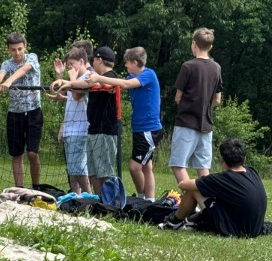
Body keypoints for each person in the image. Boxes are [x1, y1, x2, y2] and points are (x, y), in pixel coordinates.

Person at [84, 46, 162, 200]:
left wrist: (99, 78)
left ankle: (141, 197)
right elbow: (116, 87)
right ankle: (150, 200)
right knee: (146, 167)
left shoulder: (148, 74)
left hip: (149, 128)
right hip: (139, 128)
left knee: (134, 166)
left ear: (135, 62)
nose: (125, 65)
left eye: (127, 63)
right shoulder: (131, 77)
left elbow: (125, 85)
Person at [159, 138, 267, 237]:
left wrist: (205, 182)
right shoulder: (252, 172)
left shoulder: (223, 178)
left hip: (235, 230)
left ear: (222, 159)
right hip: (254, 229)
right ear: (244, 158)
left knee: (194, 190)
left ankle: (173, 223)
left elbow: (182, 185)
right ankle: (192, 221)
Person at [169, 27, 222, 184]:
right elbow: (217, 99)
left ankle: (191, 196)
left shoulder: (188, 66)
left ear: (194, 44)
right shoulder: (216, 68)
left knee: (178, 164)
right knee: (203, 168)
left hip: (186, 122)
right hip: (206, 125)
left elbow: (178, 97)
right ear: (210, 47)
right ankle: (206, 199)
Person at [0, 32, 43, 187]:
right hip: (14, 113)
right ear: (8, 50)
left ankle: (36, 187)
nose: (17, 52)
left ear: (25, 47)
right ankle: (19, 188)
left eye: (20, 49)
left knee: (32, 153)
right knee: (16, 153)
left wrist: (8, 82)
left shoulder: (32, 57)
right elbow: (0, 75)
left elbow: (24, 70)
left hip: (33, 111)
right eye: (13, 50)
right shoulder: (7, 64)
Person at [49, 45, 91, 193]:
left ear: (81, 61)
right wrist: (59, 76)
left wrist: (71, 79)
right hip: (70, 128)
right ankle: (75, 197)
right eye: (68, 66)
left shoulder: (87, 77)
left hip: (80, 130)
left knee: (79, 168)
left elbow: (77, 95)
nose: (70, 68)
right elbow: (65, 93)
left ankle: (88, 196)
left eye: (72, 64)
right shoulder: (75, 79)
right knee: (72, 168)